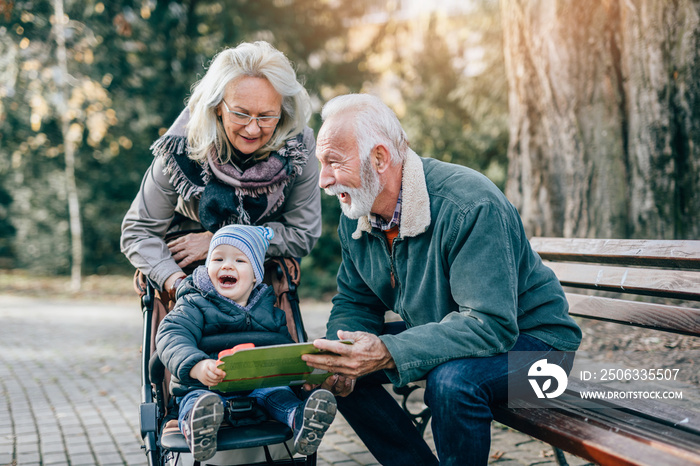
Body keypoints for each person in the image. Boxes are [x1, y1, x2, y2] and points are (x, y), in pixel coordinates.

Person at [301, 94, 582, 465]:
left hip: (540, 351)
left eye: (334, 162)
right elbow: (356, 301)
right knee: (337, 366)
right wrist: (345, 347)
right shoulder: (358, 210)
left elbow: (490, 326)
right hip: (456, 332)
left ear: (380, 159)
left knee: (452, 382)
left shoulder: (469, 204)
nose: (323, 180)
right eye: (322, 164)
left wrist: (387, 351)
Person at [121, 41, 321, 299]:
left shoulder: (299, 146)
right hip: (184, 273)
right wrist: (177, 283)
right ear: (217, 106)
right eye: (240, 114)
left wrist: (221, 242)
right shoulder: (180, 146)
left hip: (262, 277)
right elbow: (138, 231)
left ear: (282, 111)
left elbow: (302, 233)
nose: (252, 129)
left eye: (266, 116)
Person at [156, 225, 337, 462]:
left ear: (255, 275)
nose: (227, 265)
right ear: (207, 266)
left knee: (280, 396)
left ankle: (302, 420)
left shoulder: (270, 311)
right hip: (205, 386)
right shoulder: (193, 303)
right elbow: (171, 335)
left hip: (259, 387)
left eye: (239, 260)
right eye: (218, 258)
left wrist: (306, 373)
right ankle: (198, 429)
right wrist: (197, 366)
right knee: (196, 402)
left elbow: (285, 351)